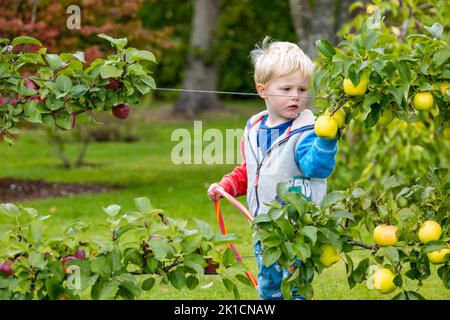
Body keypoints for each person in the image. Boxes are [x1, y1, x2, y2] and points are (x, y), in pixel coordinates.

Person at [207, 37, 338, 300]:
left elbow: (317, 167)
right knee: (269, 288)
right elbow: (250, 169)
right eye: (287, 88)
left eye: (302, 89)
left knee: (297, 289)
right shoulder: (255, 128)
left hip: (297, 230)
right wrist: (228, 186)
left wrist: (326, 140)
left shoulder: (307, 132)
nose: (296, 97)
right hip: (264, 229)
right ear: (262, 90)